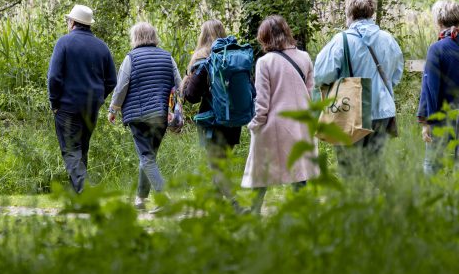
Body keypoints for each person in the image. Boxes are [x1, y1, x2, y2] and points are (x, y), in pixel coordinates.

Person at [314, 0, 404, 176]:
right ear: (370, 13)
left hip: (350, 111)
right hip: (382, 111)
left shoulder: (341, 40)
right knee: (375, 166)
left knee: (349, 169)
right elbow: (396, 75)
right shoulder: (388, 39)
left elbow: (321, 75)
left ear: (349, 14)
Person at [242, 16, 318, 212]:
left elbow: (262, 102)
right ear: (286, 32)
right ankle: (301, 212)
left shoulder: (265, 62)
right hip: (301, 123)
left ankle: (254, 210)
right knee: (299, 170)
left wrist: (255, 124)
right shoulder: (304, 57)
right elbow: (311, 94)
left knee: (261, 168)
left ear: (265, 37)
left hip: (274, 125)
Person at [108, 22, 181, 211]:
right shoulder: (168, 57)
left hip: (138, 116)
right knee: (149, 156)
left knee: (146, 157)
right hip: (161, 115)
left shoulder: (131, 58)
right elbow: (179, 85)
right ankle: (140, 198)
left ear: (136, 37)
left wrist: (113, 109)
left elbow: (121, 86)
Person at [47, 4, 117, 193]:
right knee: (81, 150)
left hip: (67, 106)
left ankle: (84, 191)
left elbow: (54, 77)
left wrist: (54, 102)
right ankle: (79, 198)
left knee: (71, 150)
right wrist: (99, 98)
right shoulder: (102, 46)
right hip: (91, 107)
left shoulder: (64, 42)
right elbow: (112, 80)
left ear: (72, 23)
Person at [181, 20, 244, 205]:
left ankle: (235, 204)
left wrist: (187, 84)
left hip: (212, 120)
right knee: (221, 163)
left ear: (203, 35)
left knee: (216, 165)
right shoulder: (234, 55)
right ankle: (217, 204)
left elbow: (192, 96)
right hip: (234, 120)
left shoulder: (202, 58)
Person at [417, 0, 459, 175]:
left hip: (443, 119)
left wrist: (427, 122)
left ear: (439, 21)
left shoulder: (437, 48)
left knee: (433, 167)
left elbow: (430, 88)